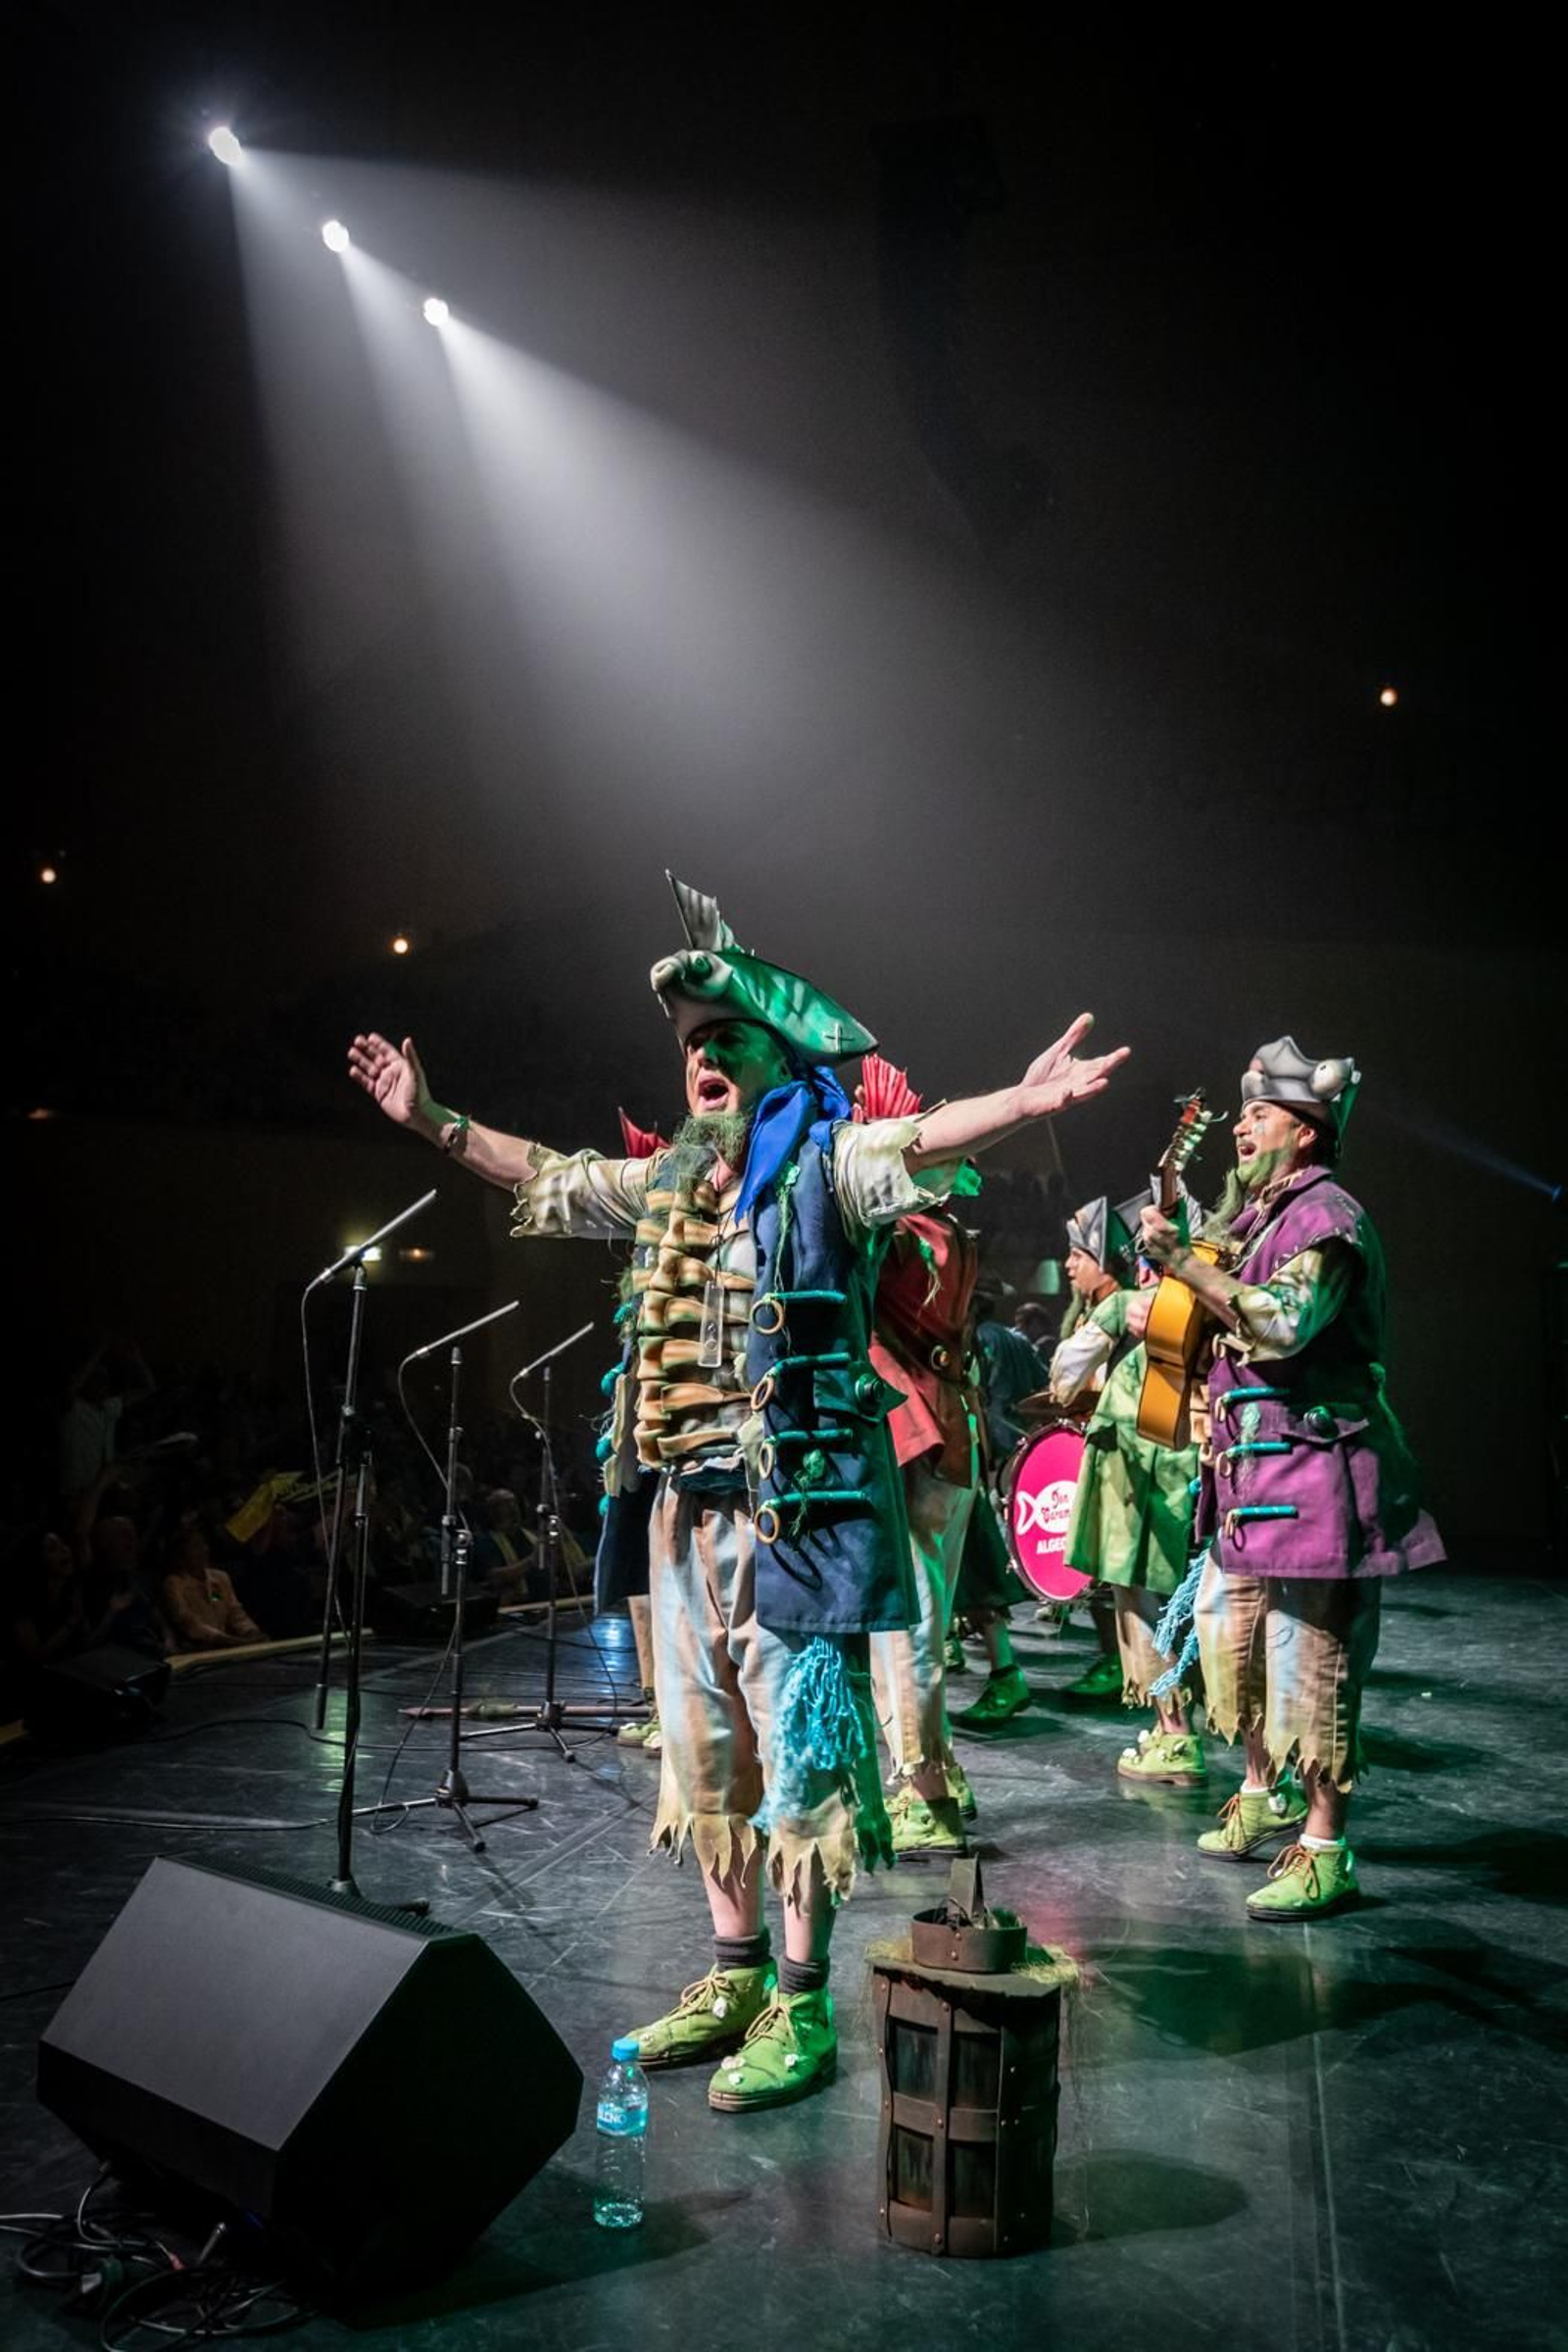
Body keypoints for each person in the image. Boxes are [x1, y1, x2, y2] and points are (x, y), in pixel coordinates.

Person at [350, 872, 1127, 2108]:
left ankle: (803, 2006)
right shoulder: (663, 1186)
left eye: (726, 1043)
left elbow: (916, 1143)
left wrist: (1023, 1103)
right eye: (694, 1048)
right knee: (704, 1760)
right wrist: (433, 1118)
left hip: (794, 1522)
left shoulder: (827, 1166)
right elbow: (543, 1173)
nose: (704, 1061)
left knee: (804, 1763)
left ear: (773, 1061)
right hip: (676, 1515)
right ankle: (731, 1971)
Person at [1139, 1037, 1444, 1920]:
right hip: (1258, 1475)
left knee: (1314, 1661)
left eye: (1261, 1113)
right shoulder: (1261, 1217)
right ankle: (1264, 1794)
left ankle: (1324, 1848)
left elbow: (1280, 1324)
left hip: (1318, 1473)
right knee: (1240, 1654)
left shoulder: (1327, 1218)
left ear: (1306, 1132)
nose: (1242, 1126)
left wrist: (1186, 1266)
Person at [1049, 1203, 1202, 1786]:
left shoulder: (1129, 1315)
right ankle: (1179, 1725)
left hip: (1134, 1474)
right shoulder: (1203, 1319)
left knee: (1138, 1599)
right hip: (1186, 1468)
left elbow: (1064, 1374)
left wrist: (1110, 1320)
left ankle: (1175, 1730)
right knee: (1178, 1604)